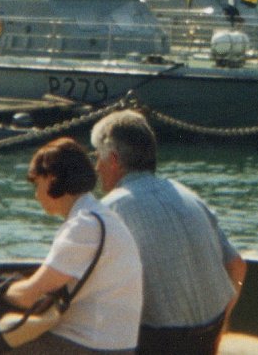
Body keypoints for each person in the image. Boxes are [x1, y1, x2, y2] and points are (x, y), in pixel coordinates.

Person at [90, 112, 244, 355]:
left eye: (98, 157)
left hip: (160, 342)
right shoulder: (188, 195)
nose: (96, 166)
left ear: (114, 160)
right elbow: (237, 267)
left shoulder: (111, 208)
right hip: (206, 335)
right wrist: (218, 327)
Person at [4, 137, 143, 355]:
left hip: (88, 347)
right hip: (114, 346)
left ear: (51, 179)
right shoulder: (101, 216)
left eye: (37, 183)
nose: (36, 194)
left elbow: (29, 295)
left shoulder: (83, 226)